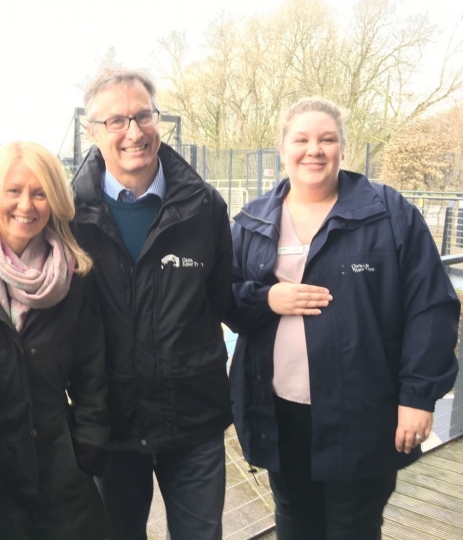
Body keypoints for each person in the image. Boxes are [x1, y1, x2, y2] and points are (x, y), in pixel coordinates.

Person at [227, 97, 460, 540]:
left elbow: (430, 307)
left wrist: (418, 397)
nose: (314, 149)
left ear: (342, 148)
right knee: (294, 521)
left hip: (362, 412)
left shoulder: (389, 215)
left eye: (327, 139)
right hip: (280, 411)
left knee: (353, 526)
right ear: (283, 148)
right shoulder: (253, 221)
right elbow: (227, 299)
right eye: (302, 139)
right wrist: (267, 299)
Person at [70, 67, 233, 540]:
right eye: (116, 121)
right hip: (111, 425)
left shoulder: (205, 207)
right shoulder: (67, 215)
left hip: (194, 421)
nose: (134, 132)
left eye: (143, 116)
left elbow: (225, 299)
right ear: (92, 131)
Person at [0, 141, 110, 540]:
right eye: (14, 191)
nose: (26, 205)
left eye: (39, 192)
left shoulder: (74, 277)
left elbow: (90, 372)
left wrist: (88, 448)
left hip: (60, 471)